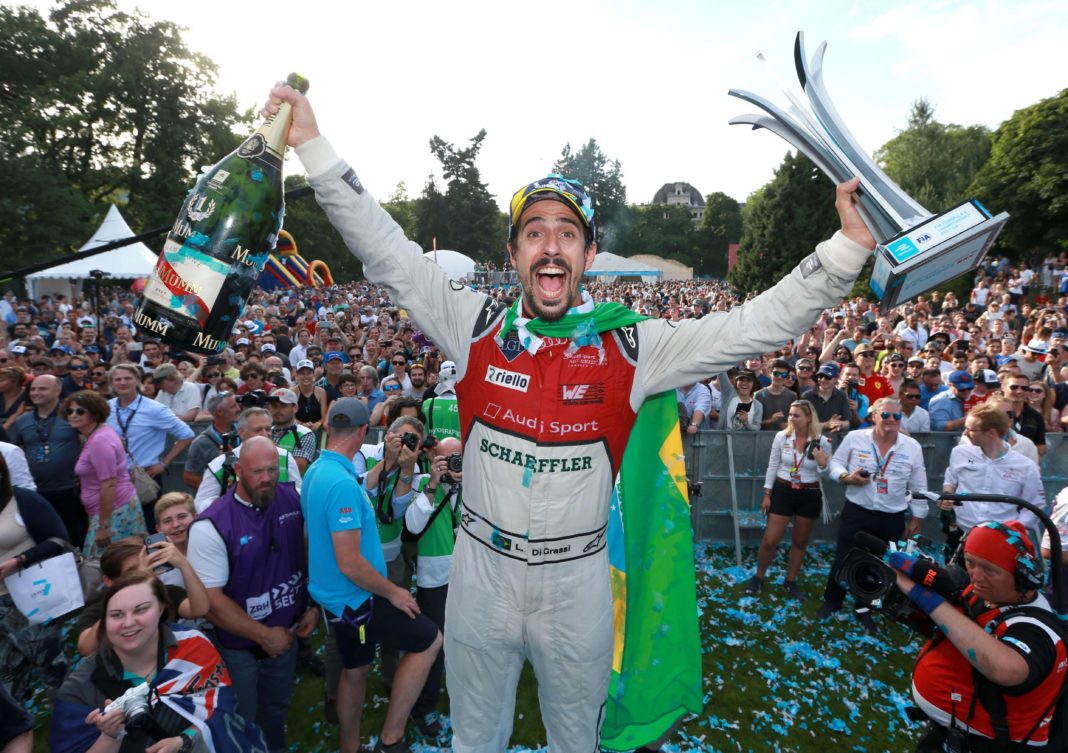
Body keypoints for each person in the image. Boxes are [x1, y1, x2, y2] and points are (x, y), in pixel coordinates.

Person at [269, 82, 876, 752]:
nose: (550, 247)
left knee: (575, 743)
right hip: (482, 572)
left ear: (587, 254)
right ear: (514, 254)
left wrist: (844, 251)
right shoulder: (470, 325)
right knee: (476, 739)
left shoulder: (635, 345)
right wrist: (312, 147)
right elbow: (387, 251)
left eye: (566, 233)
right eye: (535, 233)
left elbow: (749, 327)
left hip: (576, 580)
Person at [302, 399, 442, 753]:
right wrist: (393, 593)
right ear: (367, 431)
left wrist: (393, 464)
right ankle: (391, 739)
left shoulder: (320, 470)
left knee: (356, 669)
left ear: (329, 427)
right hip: (357, 599)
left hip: (335, 597)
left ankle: (350, 746)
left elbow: (364, 485)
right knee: (429, 640)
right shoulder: (342, 484)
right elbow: (349, 562)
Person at [186, 437, 317, 753]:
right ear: (238, 470)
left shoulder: (294, 498)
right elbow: (211, 601)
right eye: (258, 471)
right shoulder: (212, 525)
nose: (267, 478)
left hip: (285, 635)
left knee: (276, 709)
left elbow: (312, 548)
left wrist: (310, 605)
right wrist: (263, 635)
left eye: (273, 469)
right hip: (239, 647)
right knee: (241, 718)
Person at [892, 521, 1067, 752]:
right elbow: (961, 632)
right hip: (951, 733)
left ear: (1024, 577)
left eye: (989, 569)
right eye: (970, 563)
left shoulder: (1038, 629)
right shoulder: (985, 594)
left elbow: (1006, 669)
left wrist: (927, 600)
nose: (976, 576)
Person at [51, 571, 269, 753]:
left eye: (141, 609)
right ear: (104, 622)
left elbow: (221, 705)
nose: (128, 622)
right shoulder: (80, 689)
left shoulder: (192, 646)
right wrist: (111, 736)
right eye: (116, 615)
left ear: (162, 608)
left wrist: (186, 740)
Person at [819, 397, 929, 634]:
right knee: (843, 558)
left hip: (892, 516)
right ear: (873, 416)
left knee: (879, 564)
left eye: (897, 416)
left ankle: (864, 607)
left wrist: (918, 516)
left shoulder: (912, 447)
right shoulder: (855, 438)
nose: (891, 420)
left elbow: (919, 483)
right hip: (857, 511)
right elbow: (835, 463)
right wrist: (846, 477)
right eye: (886, 415)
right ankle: (832, 601)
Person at [403, 435, 464, 734]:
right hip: (436, 579)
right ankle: (424, 707)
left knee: (469, 641)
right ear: (434, 458)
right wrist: (433, 485)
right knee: (434, 645)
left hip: (469, 576)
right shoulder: (425, 482)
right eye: (447, 458)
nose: (453, 464)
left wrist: (464, 484)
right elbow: (413, 526)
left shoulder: (473, 484)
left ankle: (465, 698)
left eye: (458, 457)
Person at [0, 453, 70, 709]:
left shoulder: (23, 500)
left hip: (27, 598)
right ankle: (17, 729)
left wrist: (19, 560)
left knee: (50, 666)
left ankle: (69, 719)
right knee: (6, 673)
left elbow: (59, 541)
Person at [74, 533, 210, 657]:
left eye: (148, 565)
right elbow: (87, 648)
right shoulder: (100, 607)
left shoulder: (166, 593)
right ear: (109, 581)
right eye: (132, 571)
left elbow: (199, 609)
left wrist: (183, 565)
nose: (143, 574)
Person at [746, 400, 831, 599]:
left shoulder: (822, 441)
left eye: (796, 415)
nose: (791, 418)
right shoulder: (782, 436)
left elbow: (826, 475)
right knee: (770, 540)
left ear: (809, 417)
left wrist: (821, 463)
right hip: (783, 490)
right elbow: (773, 464)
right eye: (790, 414)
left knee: (800, 541)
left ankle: (790, 581)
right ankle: (758, 577)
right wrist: (767, 493)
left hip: (809, 493)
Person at [940, 402, 1046, 561]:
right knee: (956, 582)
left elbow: (1035, 505)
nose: (965, 433)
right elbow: (951, 479)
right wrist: (947, 495)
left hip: (1001, 540)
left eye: (971, 429)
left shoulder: (1025, 466)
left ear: (991, 432)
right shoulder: (959, 452)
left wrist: (1011, 531)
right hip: (962, 534)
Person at [106, 364, 193, 530]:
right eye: (118, 379)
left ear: (137, 380)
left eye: (127, 378)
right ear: (112, 382)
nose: (122, 382)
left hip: (143, 478)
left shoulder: (154, 409)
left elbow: (186, 434)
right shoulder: (107, 408)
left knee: (149, 531)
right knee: (119, 531)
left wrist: (163, 463)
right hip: (113, 478)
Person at [65, 390, 146, 558]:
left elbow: (109, 484)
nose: (73, 415)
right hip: (111, 511)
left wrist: (103, 527)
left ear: (95, 414)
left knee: (108, 563)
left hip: (114, 513)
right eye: (69, 411)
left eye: (80, 411)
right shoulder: (97, 434)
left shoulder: (100, 440)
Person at [11, 374, 85, 546]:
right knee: (42, 537)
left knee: (73, 536)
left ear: (58, 390)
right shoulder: (23, 421)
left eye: (42, 388)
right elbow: (14, 449)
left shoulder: (72, 416)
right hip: (36, 491)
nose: (36, 393)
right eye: (34, 389)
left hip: (69, 489)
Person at [193, 407, 301, 513]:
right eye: (258, 430)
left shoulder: (285, 456)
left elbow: (299, 494)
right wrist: (231, 503)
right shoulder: (219, 464)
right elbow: (201, 504)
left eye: (268, 429)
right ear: (241, 432)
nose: (265, 434)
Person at [183, 391, 241, 490]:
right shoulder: (201, 443)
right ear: (219, 412)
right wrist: (219, 488)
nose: (238, 409)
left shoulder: (245, 430)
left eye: (237, 405)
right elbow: (189, 477)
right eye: (233, 407)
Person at [268, 387, 317, 473]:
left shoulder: (305, 434)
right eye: (274, 406)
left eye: (283, 405)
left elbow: (298, 469)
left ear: (295, 408)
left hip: (291, 486)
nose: (278, 410)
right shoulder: (265, 432)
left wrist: (277, 451)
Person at [756, 359, 797, 431]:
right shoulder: (759, 395)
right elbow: (753, 423)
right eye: (776, 374)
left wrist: (790, 425)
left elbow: (796, 421)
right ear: (770, 373)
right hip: (762, 438)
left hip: (785, 438)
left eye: (783, 374)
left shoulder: (792, 396)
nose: (779, 377)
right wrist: (770, 421)